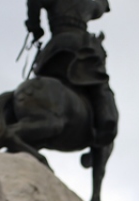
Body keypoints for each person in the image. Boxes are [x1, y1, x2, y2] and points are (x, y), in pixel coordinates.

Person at [25, 0, 119, 145]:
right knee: (99, 83)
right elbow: (102, 6)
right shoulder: (90, 4)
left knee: (42, 79)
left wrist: (35, 26)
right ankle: (106, 121)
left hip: (54, 46)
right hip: (79, 45)